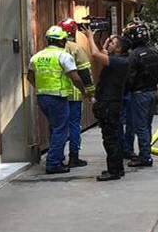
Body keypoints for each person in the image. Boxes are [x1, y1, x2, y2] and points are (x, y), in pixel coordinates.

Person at [28, 26, 86, 174]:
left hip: (42, 97)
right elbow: (75, 77)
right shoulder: (63, 56)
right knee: (61, 130)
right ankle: (53, 163)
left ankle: (58, 158)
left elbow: (29, 76)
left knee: (55, 128)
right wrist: (83, 91)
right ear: (62, 41)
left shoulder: (37, 56)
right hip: (58, 98)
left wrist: (40, 88)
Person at [85, 30, 130, 181]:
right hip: (111, 103)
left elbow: (96, 55)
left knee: (110, 138)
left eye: (113, 43)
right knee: (114, 136)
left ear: (119, 49)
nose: (109, 44)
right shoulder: (118, 59)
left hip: (109, 104)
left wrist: (90, 37)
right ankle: (117, 168)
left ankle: (114, 172)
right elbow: (102, 52)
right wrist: (102, 40)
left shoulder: (120, 62)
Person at [123, 21, 158, 168]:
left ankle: (145, 157)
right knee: (147, 125)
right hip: (152, 92)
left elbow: (130, 78)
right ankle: (146, 152)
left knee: (140, 127)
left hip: (139, 95)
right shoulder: (153, 52)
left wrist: (125, 90)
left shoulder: (134, 55)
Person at [57, 18, 95, 168]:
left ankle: (58, 157)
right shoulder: (76, 48)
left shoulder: (52, 49)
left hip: (57, 94)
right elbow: (85, 72)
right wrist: (90, 92)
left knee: (58, 127)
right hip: (74, 94)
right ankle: (74, 156)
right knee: (74, 125)